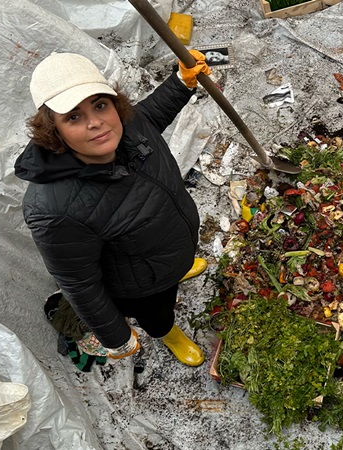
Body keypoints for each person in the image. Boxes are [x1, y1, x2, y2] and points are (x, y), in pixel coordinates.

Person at [14, 51, 211, 366]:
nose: (96, 123)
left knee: (175, 264)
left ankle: (179, 267)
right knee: (158, 313)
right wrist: (115, 336)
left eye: (100, 104)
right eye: (74, 117)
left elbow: (150, 115)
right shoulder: (51, 208)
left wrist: (181, 82)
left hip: (171, 247)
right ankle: (168, 332)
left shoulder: (124, 126)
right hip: (143, 285)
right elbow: (80, 283)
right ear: (54, 130)